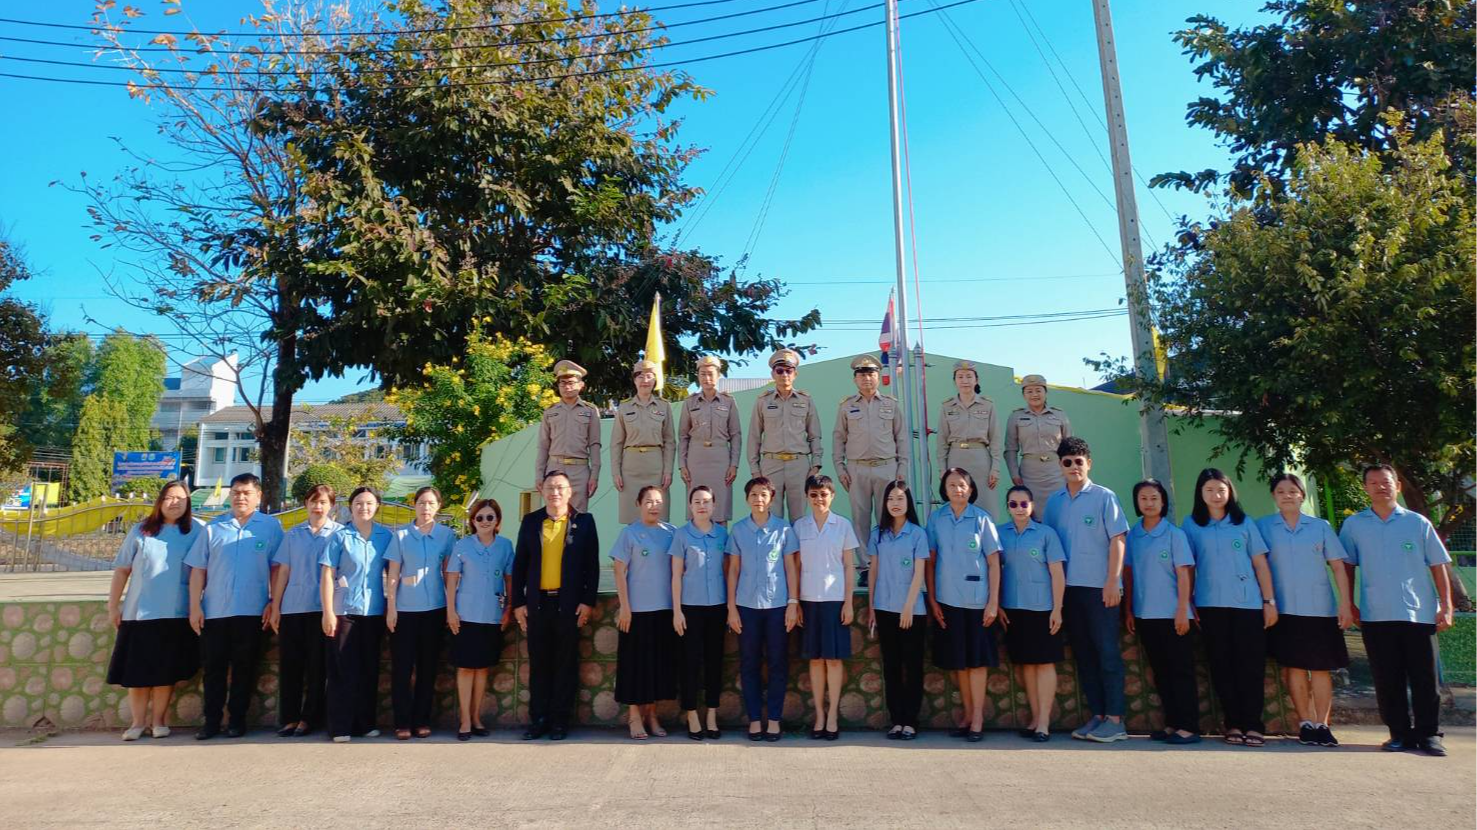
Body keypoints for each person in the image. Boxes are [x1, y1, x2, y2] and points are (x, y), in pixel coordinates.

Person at [1339, 463, 1455, 757]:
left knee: (1425, 678)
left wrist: (1447, 605)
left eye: (1386, 482)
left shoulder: (1417, 523)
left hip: (1418, 613)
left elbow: (1438, 565)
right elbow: (1347, 566)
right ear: (1365, 488)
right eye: (1374, 482)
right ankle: (1399, 734)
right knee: (1386, 678)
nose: (1381, 486)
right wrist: (1348, 602)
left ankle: (1429, 735)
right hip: (1376, 614)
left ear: (1398, 486)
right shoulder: (1354, 525)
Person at [1042, 437, 1130, 744]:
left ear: (1088, 463)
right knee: (1085, 655)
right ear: (1060, 465)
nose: (1073, 467)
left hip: (1100, 589)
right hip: (1069, 590)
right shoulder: (1054, 502)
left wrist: (1112, 581)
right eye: (1067, 462)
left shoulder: (1105, 497)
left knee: (1107, 652)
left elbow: (1118, 540)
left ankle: (1116, 720)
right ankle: (1098, 715)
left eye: (1079, 461)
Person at [1256, 472, 1354, 748]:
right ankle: (1305, 723)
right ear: (1274, 497)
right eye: (1281, 491)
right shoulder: (1264, 527)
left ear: (1302, 495)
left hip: (1319, 608)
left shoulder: (1319, 526)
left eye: (1293, 491)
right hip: (1284, 608)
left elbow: (1337, 566)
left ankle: (1323, 724)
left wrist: (1345, 604)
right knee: (1295, 668)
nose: (1287, 495)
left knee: (1320, 669)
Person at [1181, 468, 1275, 747]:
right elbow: (1188, 567)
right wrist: (1187, 602)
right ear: (1200, 494)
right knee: (1221, 666)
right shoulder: (1191, 524)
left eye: (1221, 490)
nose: (1216, 495)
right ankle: (1233, 723)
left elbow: (1260, 564)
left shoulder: (1244, 523)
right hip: (1210, 605)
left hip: (1247, 604)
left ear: (1230, 492)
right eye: (1209, 490)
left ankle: (1253, 724)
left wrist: (1269, 602)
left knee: (1250, 666)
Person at [186, 472, 284, 740]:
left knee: (245, 669)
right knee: (214, 670)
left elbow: (277, 569)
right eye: (236, 492)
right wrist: (195, 606)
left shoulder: (270, 528)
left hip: (252, 611)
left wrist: (274, 602)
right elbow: (198, 571)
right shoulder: (213, 528)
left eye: (246, 493)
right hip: (215, 611)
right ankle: (211, 721)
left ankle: (237, 721)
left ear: (258, 496)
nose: (241, 497)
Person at [105, 480, 201, 741]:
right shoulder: (140, 531)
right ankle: (137, 722)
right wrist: (113, 605)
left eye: (181, 499)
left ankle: (159, 721)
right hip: (138, 612)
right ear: (160, 501)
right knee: (137, 673)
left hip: (174, 612)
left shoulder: (196, 532)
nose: (175, 503)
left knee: (163, 672)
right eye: (170, 498)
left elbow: (199, 572)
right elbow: (123, 569)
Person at [512, 471, 601, 741]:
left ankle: (560, 721)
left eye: (560, 487)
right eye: (550, 487)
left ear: (570, 491)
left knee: (565, 665)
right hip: (538, 605)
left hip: (569, 605)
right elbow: (520, 565)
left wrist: (587, 601)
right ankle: (538, 720)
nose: (555, 492)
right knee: (539, 665)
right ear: (542, 490)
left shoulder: (583, 522)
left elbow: (592, 566)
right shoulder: (531, 522)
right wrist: (518, 603)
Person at [925, 467, 1002, 742]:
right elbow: (931, 562)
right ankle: (967, 714)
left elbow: (994, 562)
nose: (957, 489)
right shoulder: (936, 520)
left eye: (962, 485)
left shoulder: (982, 519)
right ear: (944, 490)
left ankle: (978, 717)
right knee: (959, 663)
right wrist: (933, 600)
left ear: (971, 489)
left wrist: (993, 601)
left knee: (977, 662)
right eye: (951, 485)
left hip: (978, 601)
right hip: (948, 600)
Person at [1122, 479, 1200, 745]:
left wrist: (1182, 608)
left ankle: (1189, 726)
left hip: (1173, 614)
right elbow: (1129, 574)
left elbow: (1184, 573)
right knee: (1161, 672)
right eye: (1143, 498)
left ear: (1163, 501)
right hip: (1146, 614)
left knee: (1181, 671)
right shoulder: (1134, 535)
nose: (1149, 503)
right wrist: (1130, 609)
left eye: (1154, 498)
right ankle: (1172, 723)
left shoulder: (1174, 534)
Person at [725, 476, 801, 742]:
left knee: (778, 663)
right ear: (747, 499)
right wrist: (731, 608)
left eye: (763, 495)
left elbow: (791, 567)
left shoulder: (783, 530)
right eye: (754, 494)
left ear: (771, 498)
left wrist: (793, 603)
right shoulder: (738, 530)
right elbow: (733, 570)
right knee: (749, 664)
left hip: (778, 606)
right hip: (746, 607)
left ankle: (775, 720)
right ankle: (755, 719)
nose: (759, 499)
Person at [319, 487, 393, 743]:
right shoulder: (340, 536)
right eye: (359, 503)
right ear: (350, 507)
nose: (364, 507)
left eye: (369, 503)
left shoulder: (385, 536)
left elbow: (393, 573)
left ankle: (365, 723)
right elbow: (327, 574)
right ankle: (340, 726)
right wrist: (328, 612)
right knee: (342, 670)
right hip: (344, 611)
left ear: (377, 506)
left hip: (373, 612)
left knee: (369, 669)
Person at [267, 484, 341, 738]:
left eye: (322, 502)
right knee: (291, 666)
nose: (317, 506)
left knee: (317, 668)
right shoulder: (293, 534)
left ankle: (310, 718)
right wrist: (276, 605)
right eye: (313, 501)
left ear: (332, 505)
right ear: (306, 504)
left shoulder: (339, 534)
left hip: (322, 609)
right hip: (292, 608)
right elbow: (283, 571)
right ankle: (289, 718)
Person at [996, 485, 1066, 742]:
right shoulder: (999, 533)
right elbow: (995, 570)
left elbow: (1057, 573)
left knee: (1044, 662)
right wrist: (998, 604)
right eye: (1013, 504)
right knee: (1025, 663)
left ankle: (1045, 722)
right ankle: (1035, 717)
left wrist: (1057, 608)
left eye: (1024, 503)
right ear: (1007, 507)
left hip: (1043, 608)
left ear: (1032, 505)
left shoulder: (1046, 534)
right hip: (1014, 609)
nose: (1019, 509)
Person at [385, 486, 454, 740]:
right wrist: (391, 608)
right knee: (402, 669)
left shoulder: (446, 536)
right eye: (422, 503)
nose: (426, 508)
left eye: (431, 503)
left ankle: (422, 720)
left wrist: (451, 608)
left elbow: (450, 574)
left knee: (428, 668)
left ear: (438, 506)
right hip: (404, 610)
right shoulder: (401, 535)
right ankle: (402, 722)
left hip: (434, 609)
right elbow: (392, 574)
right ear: (414, 505)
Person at [611, 486, 679, 739]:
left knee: (657, 667)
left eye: (658, 502)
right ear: (639, 504)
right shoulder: (629, 533)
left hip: (664, 610)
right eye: (649, 501)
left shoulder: (671, 533)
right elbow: (619, 571)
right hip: (636, 611)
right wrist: (625, 607)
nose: (654, 506)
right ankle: (634, 716)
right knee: (634, 666)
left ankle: (652, 715)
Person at [794, 474, 858, 741]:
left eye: (824, 494)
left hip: (834, 601)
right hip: (808, 601)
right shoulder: (799, 527)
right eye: (813, 495)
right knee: (816, 659)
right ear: (807, 497)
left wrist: (849, 603)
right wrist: (794, 602)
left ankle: (833, 715)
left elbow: (849, 566)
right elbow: (795, 567)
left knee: (833, 660)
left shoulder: (842, 526)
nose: (819, 499)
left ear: (832, 496)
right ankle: (819, 714)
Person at [445, 498, 514, 741]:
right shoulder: (462, 545)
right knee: (465, 667)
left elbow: (509, 580)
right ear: (473, 521)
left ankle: (476, 717)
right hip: (465, 615)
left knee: (482, 667)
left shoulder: (505, 546)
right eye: (480, 518)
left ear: (497, 521)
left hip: (492, 615)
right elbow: (452, 579)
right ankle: (464, 719)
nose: (485, 522)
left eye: (490, 517)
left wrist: (509, 609)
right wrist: (451, 611)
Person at [833, 354, 907, 575]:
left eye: (871, 374)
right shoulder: (846, 406)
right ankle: (866, 567)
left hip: (887, 467)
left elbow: (901, 437)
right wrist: (840, 468)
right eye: (862, 375)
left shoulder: (891, 405)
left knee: (889, 515)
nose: (866, 379)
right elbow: (838, 438)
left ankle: (888, 562)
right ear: (855, 379)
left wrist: (902, 468)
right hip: (857, 469)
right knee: (860, 519)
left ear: (878, 376)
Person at [865, 480, 929, 740]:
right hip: (884, 607)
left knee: (912, 666)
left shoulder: (917, 534)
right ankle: (896, 720)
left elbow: (919, 573)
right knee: (891, 667)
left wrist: (908, 607)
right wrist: (871, 607)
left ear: (908, 503)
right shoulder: (877, 533)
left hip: (912, 611)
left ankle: (911, 721)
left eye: (900, 498)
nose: (895, 503)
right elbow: (874, 571)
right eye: (891, 498)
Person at [670, 486, 729, 740]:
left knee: (715, 662)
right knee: (690, 662)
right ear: (690, 506)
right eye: (697, 502)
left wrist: (731, 608)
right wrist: (677, 611)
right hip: (690, 608)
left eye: (706, 501)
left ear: (714, 505)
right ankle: (692, 714)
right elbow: (675, 576)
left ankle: (712, 715)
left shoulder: (723, 535)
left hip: (717, 607)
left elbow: (729, 573)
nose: (702, 506)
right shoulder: (681, 535)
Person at [746, 348, 823, 521]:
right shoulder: (763, 401)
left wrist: (816, 465)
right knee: (772, 516)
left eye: (788, 371)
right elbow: (754, 437)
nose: (784, 375)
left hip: (799, 465)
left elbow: (814, 435)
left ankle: (797, 550)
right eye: (779, 371)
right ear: (773, 374)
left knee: (800, 518)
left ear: (795, 374)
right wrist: (755, 470)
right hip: (771, 464)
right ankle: (775, 549)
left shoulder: (806, 400)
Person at [611, 359, 677, 524]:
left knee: (658, 516)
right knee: (631, 517)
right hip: (630, 468)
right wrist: (616, 472)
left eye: (649, 376)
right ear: (634, 380)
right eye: (640, 376)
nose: (645, 381)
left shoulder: (664, 406)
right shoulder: (624, 408)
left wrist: (668, 471)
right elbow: (616, 443)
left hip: (656, 466)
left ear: (655, 380)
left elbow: (670, 441)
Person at [678, 356, 742, 524]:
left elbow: (735, 435)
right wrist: (682, 465)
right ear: (698, 376)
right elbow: (683, 436)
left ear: (718, 375)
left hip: (720, 459)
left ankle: (720, 548)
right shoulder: (690, 402)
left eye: (711, 374)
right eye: (703, 374)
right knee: (696, 507)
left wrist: (734, 465)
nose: (707, 378)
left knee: (720, 510)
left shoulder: (728, 402)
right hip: (696, 459)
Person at [937, 360, 1003, 518]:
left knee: (985, 505)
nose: (965, 381)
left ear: (976, 380)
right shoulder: (947, 406)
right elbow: (942, 441)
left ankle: (987, 540)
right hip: (956, 458)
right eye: (960, 377)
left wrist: (995, 468)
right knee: (957, 504)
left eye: (969, 376)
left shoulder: (988, 405)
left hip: (981, 459)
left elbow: (995, 439)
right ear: (955, 381)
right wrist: (942, 468)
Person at [535, 359, 602, 512]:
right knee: (554, 514)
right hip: (554, 467)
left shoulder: (590, 411)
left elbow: (595, 444)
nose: (567, 387)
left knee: (578, 519)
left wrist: (594, 475)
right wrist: (539, 475)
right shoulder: (550, 411)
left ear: (581, 385)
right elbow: (543, 445)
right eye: (563, 383)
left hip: (580, 470)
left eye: (571, 382)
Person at [1004, 375, 1072, 521]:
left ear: (1045, 392)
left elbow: (1070, 447)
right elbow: (1010, 449)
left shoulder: (1059, 415)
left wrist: (1069, 472)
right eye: (1029, 391)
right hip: (1029, 473)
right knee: (1031, 514)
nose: (1034, 394)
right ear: (1023, 395)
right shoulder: (1016, 417)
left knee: (1060, 513)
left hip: (1056, 472)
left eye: (1038, 390)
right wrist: (1014, 474)